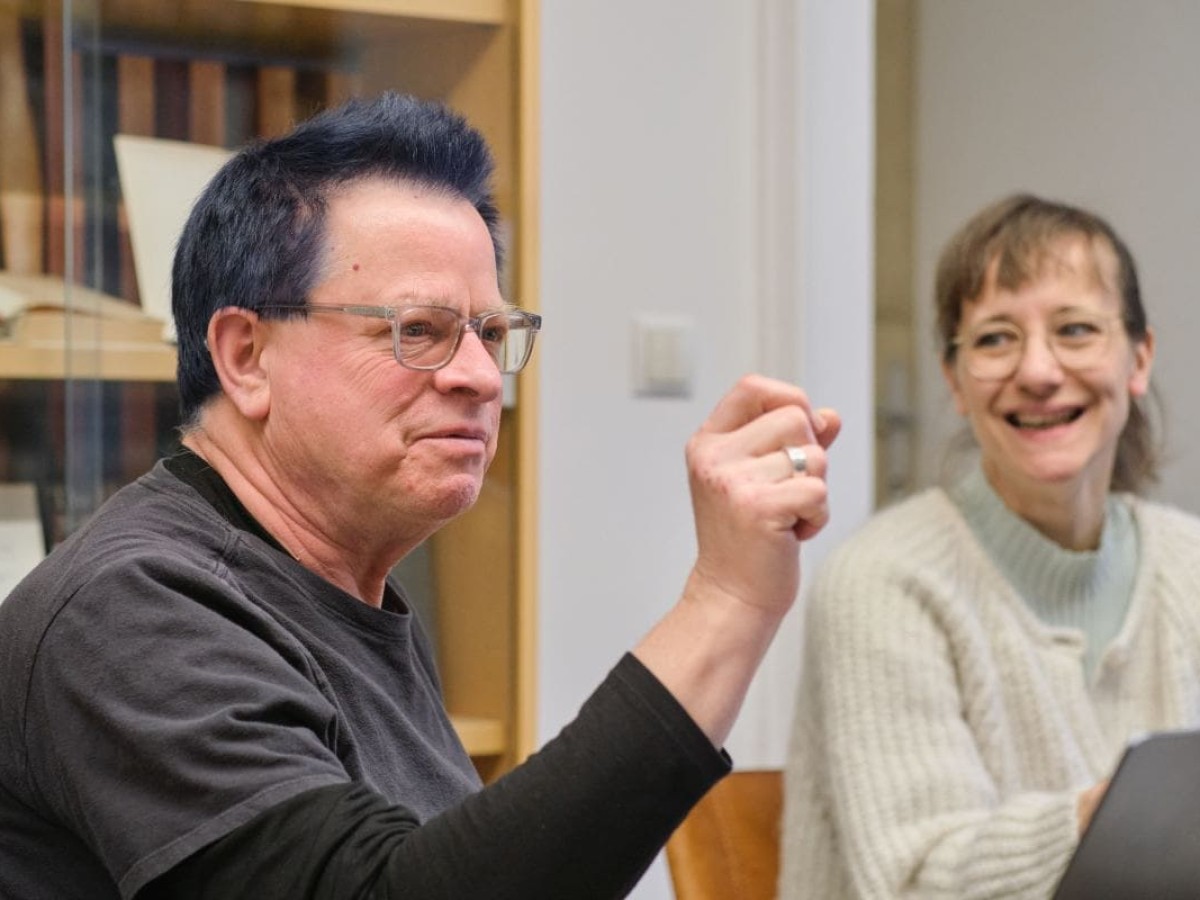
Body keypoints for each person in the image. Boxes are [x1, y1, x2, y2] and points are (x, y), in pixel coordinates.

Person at [0, 92, 839, 900]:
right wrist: (725, 600)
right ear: (246, 356)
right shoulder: (127, 607)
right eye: (418, 332)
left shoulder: (344, 587)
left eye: (493, 334)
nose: (480, 379)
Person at [778, 193, 1200, 899]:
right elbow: (916, 882)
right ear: (954, 379)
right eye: (996, 339)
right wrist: (1108, 820)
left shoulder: (1189, 566)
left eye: (1074, 330)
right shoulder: (883, 582)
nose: (1037, 371)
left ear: (1139, 358)